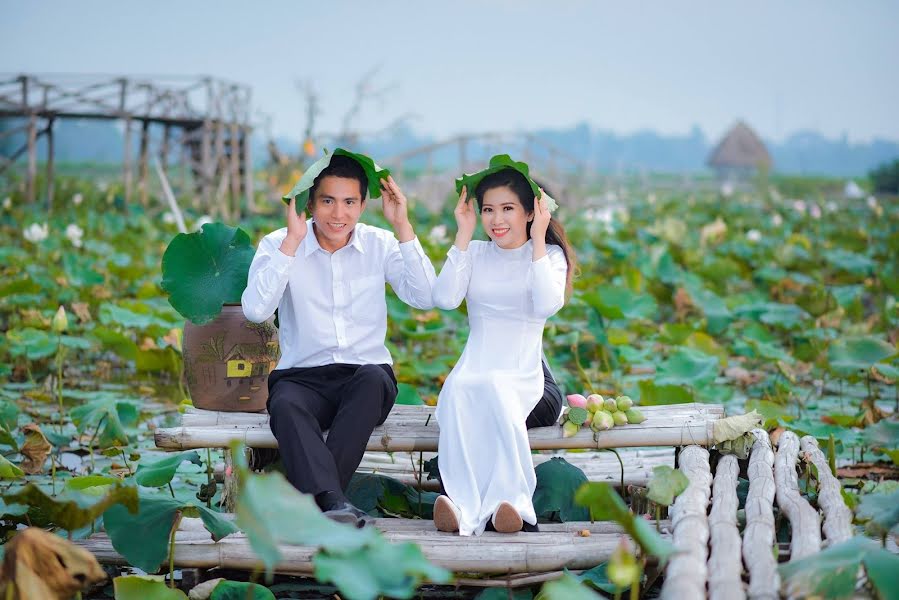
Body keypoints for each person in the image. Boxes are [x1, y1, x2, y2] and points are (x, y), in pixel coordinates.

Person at [241, 151, 437, 526]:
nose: (338, 214)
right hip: (303, 379)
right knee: (284, 405)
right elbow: (255, 311)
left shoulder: (381, 243)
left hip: (365, 379)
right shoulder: (278, 244)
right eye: (328, 201)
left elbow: (425, 297)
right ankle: (333, 504)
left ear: (363, 204)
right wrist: (292, 244)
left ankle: (315, 504)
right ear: (309, 203)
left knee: (372, 380)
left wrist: (404, 228)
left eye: (349, 202)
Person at [431, 157, 577, 536]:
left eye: (508, 209)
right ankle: (462, 507)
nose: (497, 219)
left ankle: (510, 503)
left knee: (495, 392)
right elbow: (445, 297)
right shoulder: (476, 253)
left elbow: (547, 304)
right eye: (488, 210)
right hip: (474, 372)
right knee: (462, 389)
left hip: (526, 379)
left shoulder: (549, 257)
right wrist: (463, 234)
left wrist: (540, 240)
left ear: (532, 211)